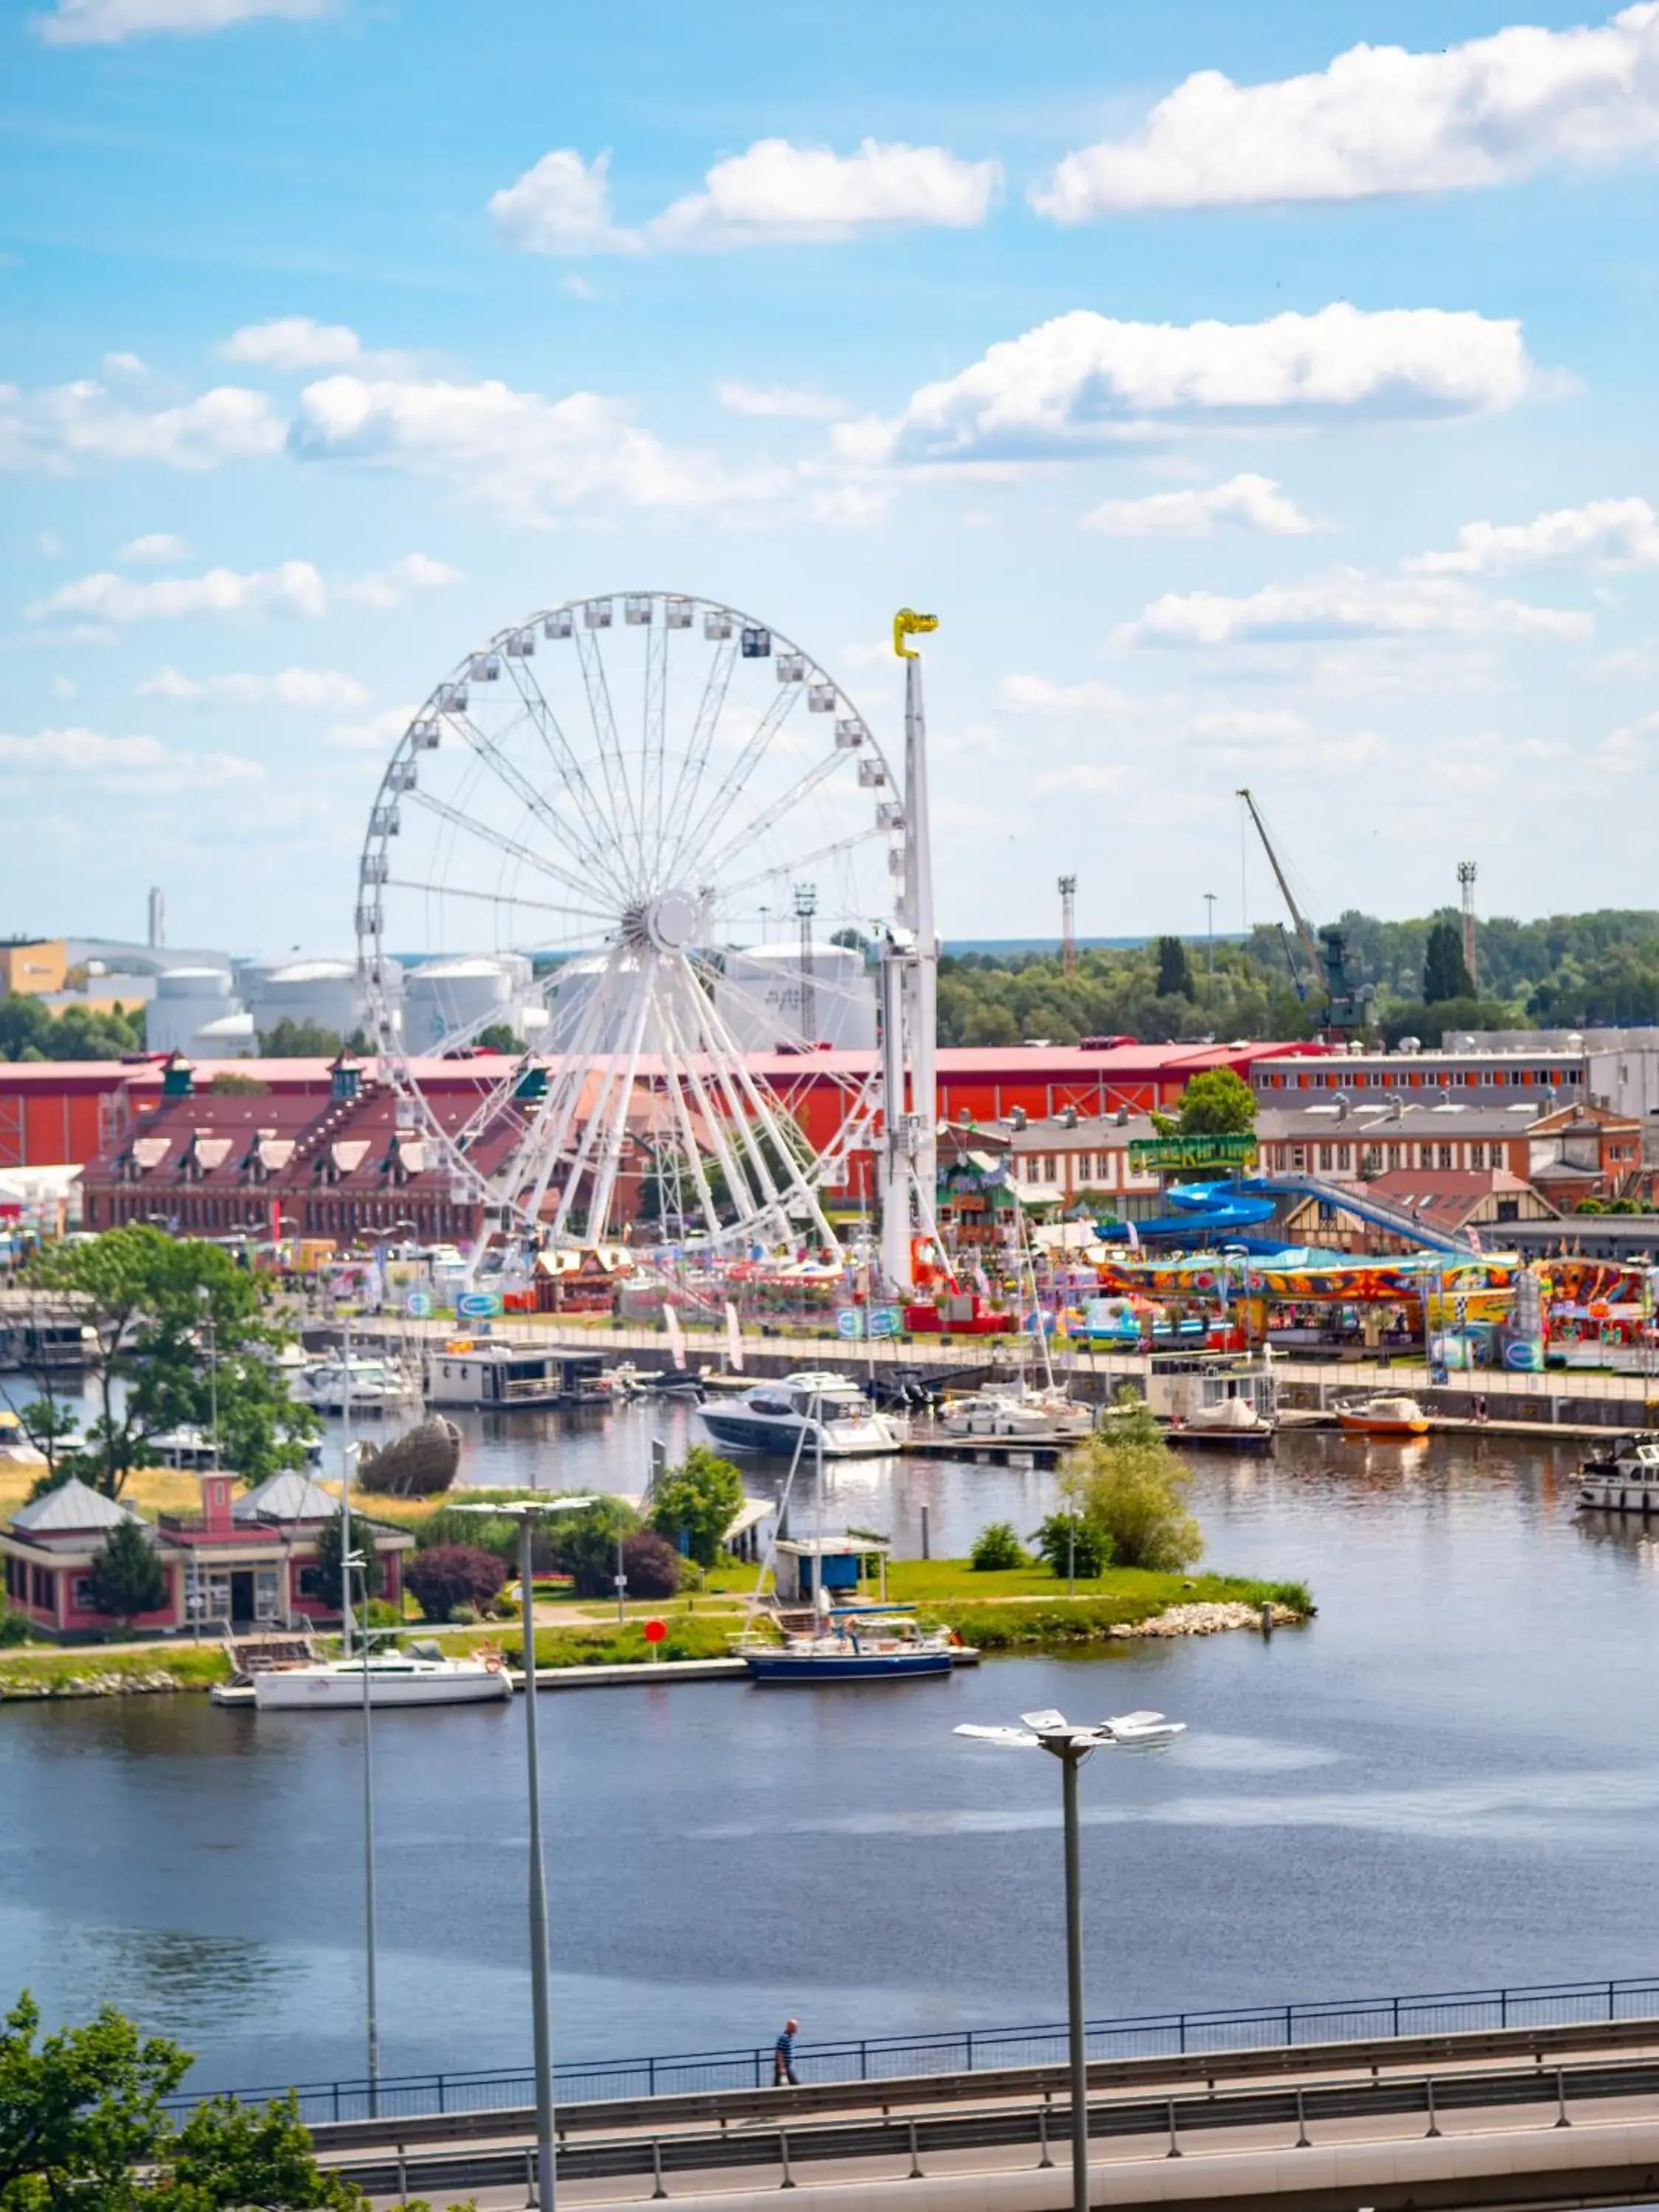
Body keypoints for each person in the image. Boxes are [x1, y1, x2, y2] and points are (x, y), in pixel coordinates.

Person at [773, 2017, 799, 2086]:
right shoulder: (784, 2037)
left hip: (786, 2066)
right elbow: (779, 2052)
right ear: (790, 2027)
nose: (797, 2028)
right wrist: (782, 2067)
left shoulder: (789, 2037)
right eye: (796, 2027)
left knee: (777, 2086)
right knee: (795, 2084)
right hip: (784, 2066)